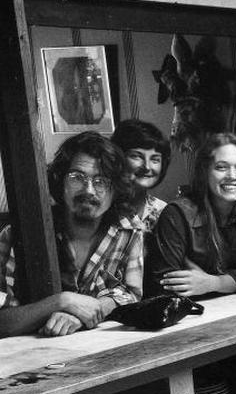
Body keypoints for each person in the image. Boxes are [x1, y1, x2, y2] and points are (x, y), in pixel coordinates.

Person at [0, 132, 142, 337]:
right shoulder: (15, 235)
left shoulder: (128, 230)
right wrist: (62, 301)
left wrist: (85, 313)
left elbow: (131, 294)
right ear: (60, 180)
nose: (89, 190)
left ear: (116, 189)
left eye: (101, 181)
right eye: (77, 177)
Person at [146, 133, 236, 297]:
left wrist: (212, 283)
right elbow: (165, 287)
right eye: (221, 167)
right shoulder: (177, 215)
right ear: (204, 172)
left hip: (229, 311)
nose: (232, 176)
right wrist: (227, 282)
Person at [111, 119, 171, 232]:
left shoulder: (164, 211)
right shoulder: (102, 208)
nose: (147, 167)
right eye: (136, 156)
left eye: (155, 159)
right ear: (118, 158)